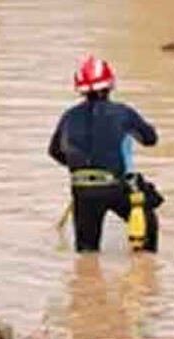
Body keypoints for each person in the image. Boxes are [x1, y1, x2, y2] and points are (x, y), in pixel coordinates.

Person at [49, 55, 163, 253]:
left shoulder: (68, 116)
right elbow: (150, 139)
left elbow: (55, 151)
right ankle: (145, 264)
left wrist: (80, 166)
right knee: (147, 217)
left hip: (82, 189)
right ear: (110, 85)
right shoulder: (123, 113)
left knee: (86, 252)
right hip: (116, 185)